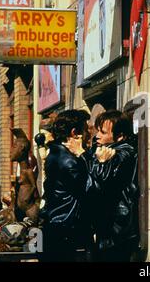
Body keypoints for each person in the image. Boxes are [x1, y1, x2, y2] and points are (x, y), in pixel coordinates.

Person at [39, 109, 93, 262]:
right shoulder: (69, 161)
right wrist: (84, 155)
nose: (90, 134)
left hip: (56, 227)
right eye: (86, 129)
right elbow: (91, 189)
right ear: (75, 132)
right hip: (67, 230)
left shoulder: (55, 153)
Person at [89, 110, 140, 262]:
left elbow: (100, 183)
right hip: (107, 226)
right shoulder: (104, 151)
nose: (97, 136)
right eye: (98, 131)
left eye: (103, 132)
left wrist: (101, 163)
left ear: (120, 136)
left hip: (117, 228)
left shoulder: (122, 153)